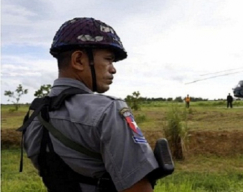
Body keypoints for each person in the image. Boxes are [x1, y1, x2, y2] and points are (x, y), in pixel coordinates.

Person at [19, 17, 162, 192]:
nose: (113, 68)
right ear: (78, 60)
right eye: (108, 59)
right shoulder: (108, 110)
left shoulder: (34, 116)